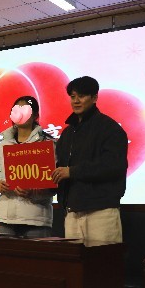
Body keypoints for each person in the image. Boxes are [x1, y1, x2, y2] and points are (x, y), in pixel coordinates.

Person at [51, 76, 128, 244]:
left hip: (101, 211)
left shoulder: (110, 129)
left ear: (94, 98)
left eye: (82, 96)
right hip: (71, 212)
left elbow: (113, 166)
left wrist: (72, 172)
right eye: (73, 96)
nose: (76, 101)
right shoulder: (67, 133)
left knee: (102, 259)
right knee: (74, 261)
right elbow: (58, 167)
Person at [0, 96, 55, 238]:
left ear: (35, 115)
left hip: (36, 218)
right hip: (6, 218)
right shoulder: (4, 144)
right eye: (17, 110)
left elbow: (53, 183)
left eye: (26, 110)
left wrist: (33, 191)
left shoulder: (47, 144)